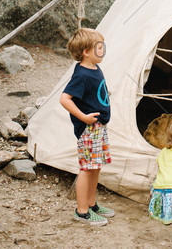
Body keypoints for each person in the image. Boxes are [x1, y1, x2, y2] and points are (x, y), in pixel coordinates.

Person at [60, 27, 114, 227]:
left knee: (95, 167)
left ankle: (91, 204)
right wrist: (83, 117)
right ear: (86, 52)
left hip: (99, 128)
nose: (103, 50)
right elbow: (65, 99)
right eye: (99, 47)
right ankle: (82, 211)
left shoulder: (94, 68)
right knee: (87, 168)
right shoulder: (82, 74)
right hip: (89, 129)